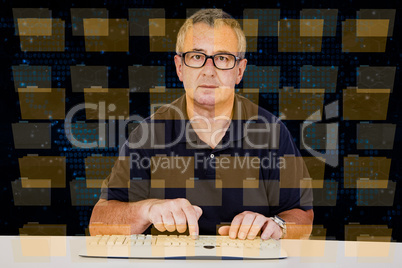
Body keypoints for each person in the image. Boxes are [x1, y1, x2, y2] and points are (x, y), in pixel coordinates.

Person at [89, 9, 313, 241]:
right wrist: (147, 209)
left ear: (239, 70)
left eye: (223, 58)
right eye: (196, 57)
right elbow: (99, 222)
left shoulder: (272, 132)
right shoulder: (147, 134)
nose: (209, 71)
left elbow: (303, 216)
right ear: (179, 67)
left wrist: (276, 225)